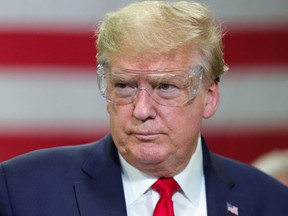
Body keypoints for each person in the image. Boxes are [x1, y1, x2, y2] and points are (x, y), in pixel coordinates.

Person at [0, 1, 287, 216]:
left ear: (209, 97)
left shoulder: (271, 202)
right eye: (124, 86)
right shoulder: (21, 191)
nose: (141, 110)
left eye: (165, 87)